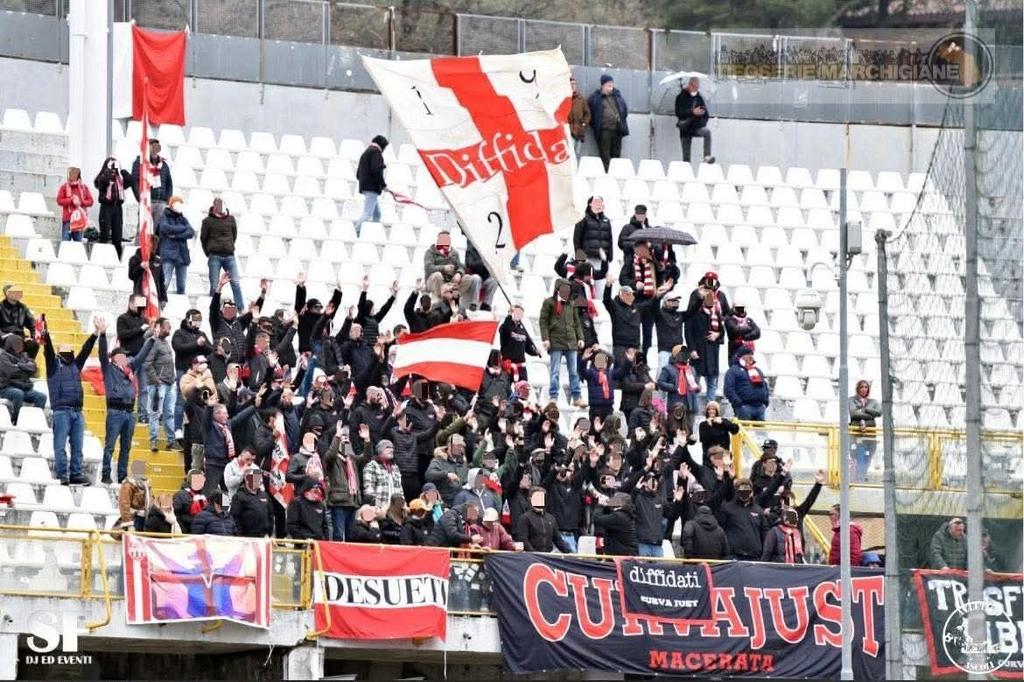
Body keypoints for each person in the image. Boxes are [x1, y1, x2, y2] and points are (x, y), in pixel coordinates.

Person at [98, 319, 154, 484]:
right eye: (121, 355)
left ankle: (122, 476)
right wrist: (102, 335)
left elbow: (142, 355)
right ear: (114, 358)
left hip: (129, 412)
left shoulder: (130, 369)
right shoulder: (108, 369)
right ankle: (106, 474)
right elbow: (102, 353)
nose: (124, 357)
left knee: (126, 447)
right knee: (110, 445)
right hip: (115, 411)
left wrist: (152, 339)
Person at [44, 320, 98, 485]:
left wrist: (95, 333)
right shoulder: (53, 365)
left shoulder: (76, 365)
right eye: (64, 347)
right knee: (60, 446)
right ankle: (62, 475)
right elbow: (47, 349)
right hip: (61, 411)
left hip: (77, 412)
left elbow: (86, 351)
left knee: (78, 446)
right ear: (58, 351)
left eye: (69, 348)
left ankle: (76, 474)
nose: (67, 349)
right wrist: (45, 332)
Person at [684, 272, 730, 407]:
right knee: (695, 379)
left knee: (712, 380)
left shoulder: (718, 305)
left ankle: (711, 407)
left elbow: (723, 326)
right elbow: (688, 330)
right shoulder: (694, 309)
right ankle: (692, 407)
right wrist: (692, 349)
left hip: (713, 347)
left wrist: (717, 334)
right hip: (698, 347)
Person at [538, 279, 585, 407]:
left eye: (568, 289)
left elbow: (577, 323)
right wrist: (545, 338)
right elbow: (543, 321)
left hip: (571, 342)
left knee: (574, 371)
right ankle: (553, 396)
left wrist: (580, 338)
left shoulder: (572, 304)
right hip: (556, 341)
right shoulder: (549, 302)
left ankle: (577, 397)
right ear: (558, 289)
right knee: (555, 371)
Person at [423, 231, 495, 313]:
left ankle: (452, 296)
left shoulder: (454, 253)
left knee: (468, 278)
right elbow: (428, 268)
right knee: (437, 275)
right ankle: (442, 298)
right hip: (434, 280)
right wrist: (443, 268)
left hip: (450, 281)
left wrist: (459, 274)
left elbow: (461, 266)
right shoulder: (430, 252)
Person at [323, 422, 370, 541]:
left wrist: (367, 440)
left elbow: (366, 458)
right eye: (343, 438)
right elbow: (331, 454)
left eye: (347, 438)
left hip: (352, 501)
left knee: (351, 535)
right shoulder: (332, 459)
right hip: (339, 502)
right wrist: (337, 436)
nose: (346, 440)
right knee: (338, 534)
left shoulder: (351, 458)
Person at [200, 197, 244, 308]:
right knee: (215, 286)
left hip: (229, 256)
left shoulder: (231, 219)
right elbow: (203, 238)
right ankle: (214, 309)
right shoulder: (207, 221)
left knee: (236, 283)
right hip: (214, 256)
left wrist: (229, 246)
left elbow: (234, 235)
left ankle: (240, 308)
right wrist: (208, 252)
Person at [144, 318, 178, 452]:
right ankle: (153, 441)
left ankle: (171, 441)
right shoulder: (152, 342)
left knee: (169, 413)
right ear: (159, 327)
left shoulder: (166, 343)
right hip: (158, 385)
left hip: (169, 383)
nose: (169, 328)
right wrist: (156, 380)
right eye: (167, 326)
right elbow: (147, 363)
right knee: (155, 413)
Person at [572, 197, 613, 299]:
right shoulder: (583, 219)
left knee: (600, 286)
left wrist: (609, 256)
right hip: (588, 258)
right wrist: (580, 258)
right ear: (590, 204)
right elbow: (577, 239)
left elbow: (610, 239)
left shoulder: (606, 220)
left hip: (602, 260)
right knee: (587, 285)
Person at [587, 75, 629, 171]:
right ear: (603, 85)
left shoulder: (617, 96)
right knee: (605, 153)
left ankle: (615, 172)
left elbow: (624, 109)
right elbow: (590, 114)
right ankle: (607, 172)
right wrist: (596, 125)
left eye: (612, 83)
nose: (611, 85)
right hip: (604, 130)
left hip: (617, 129)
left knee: (616, 153)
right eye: (608, 84)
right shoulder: (595, 97)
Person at [717, 478, 766, 560]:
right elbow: (720, 531)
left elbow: (764, 532)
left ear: (752, 492)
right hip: (733, 556)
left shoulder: (758, 510)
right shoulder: (727, 509)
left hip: (754, 557)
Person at [0, 335, 45, 422]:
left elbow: (33, 368)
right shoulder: (3, 357)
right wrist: (25, 369)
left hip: (24, 388)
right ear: (10, 344)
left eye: (20, 343)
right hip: (7, 388)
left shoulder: (24, 356)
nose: (19, 345)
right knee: (18, 394)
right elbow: (11, 371)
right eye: (16, 343)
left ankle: (34, 421)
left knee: (41, 397)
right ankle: (16, 420)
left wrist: (19, 365)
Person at [515, 487, 573, 553]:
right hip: (531, 556)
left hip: (547, 556)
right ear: (530, 499)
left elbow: (558, 540)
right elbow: (523, 540)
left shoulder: (551, 518)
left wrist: (570, 553)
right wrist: (535, 554)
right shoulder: (525, 518)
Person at [131, 137, 174, 226]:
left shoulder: (164, 164)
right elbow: (134, 181)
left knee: (159, 230)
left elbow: (169, 183)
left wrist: (168, 199)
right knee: (143, 228)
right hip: (146, 201)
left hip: (161, 202)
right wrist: (139, 197)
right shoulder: (140, 162)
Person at [93, 157, 131, 257]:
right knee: (104, 234)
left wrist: (122, 170)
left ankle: (117, 258)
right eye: (112, 166)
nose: (114, 169)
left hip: (117, 207)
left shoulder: (120, 179)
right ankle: (101, 256)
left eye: (115, 166)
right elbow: (100, 183)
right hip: (106, 207)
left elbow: (129, 181)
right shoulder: (103, 177)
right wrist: (108, 170)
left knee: (117, 235)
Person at [158, 196, 194, 295]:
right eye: (178, 204)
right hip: (169, 255)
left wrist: (175, 235)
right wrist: (182, 229)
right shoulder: (164, 217)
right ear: (172, 205)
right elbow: (165, 228)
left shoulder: (183, 219)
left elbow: (190, 232)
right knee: (164, 283)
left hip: (182, 255)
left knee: (182, 287)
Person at [723, 346, 769, 422]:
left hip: (760, 407)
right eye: (748, 354)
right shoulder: (733, 371)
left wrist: (765, 402)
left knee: (760, 430)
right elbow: (728, 389)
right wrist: (739, 404)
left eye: (752, 354)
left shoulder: (757, 370)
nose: (751, 357)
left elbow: (765, 386)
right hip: (744, 407)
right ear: (741, 357)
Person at [603, 282, 641, 372]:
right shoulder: (615, 306)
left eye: (631, 294)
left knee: (638, 372)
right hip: (620, 346)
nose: (630, 296)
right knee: (620, 372)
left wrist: (657, 295)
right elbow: (606, 300)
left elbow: (651, 304)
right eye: (627, 294)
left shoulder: (636, 307)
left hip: (635, 346)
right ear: (621, 295)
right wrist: (608, 286)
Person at [355, 135, 388, 237]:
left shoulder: (366, 152)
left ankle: (373, 234)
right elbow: (376, 170)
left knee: (377, 214)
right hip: (372, 188)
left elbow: (358, 174)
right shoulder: (376, 153)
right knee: (368, 213)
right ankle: (356, 231)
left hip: (365, 186)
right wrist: (383, 185)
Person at [675, 76, 714, 163]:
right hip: (685, 128)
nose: (696, 89)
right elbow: (679, 113)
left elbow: (706, 115)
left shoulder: (699, 98)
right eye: (694, 86)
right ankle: (686, 169)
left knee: (707, 132)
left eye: (697, 87)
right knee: (686, 157)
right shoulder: (680, 97)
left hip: (696, 127)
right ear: (689, 85)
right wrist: (692, 111)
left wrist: (701, 116)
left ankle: (707, 156)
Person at [849, 380, 882, 482]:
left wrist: (865, 410)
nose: (864, 389)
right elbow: (854, 414)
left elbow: (879, 412)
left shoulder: (873, 401)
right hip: (858, 434)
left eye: (866, 387)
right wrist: (871, 416)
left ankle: (861, 475)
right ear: (858, 388)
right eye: (861, 387)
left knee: (868, 457)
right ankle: (860, 478)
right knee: (860, 455)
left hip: (870, 435)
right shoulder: (852, 400)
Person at [657, 344, 700, 420]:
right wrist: (674, 387)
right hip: (675, 405)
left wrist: (698, 387)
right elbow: (660, 383)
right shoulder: (668, 369)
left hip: (691, 405)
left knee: (689, 426)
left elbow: (697, 383)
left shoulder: (691, 369)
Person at [498, 304, 540, 383]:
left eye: (521, 314)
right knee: (505, 388)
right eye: (517, 313)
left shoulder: (523, 330)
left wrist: (535, 352)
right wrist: (509, 315)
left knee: (523, 388)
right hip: (508, 365)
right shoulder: (505, 326)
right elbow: (505, 328)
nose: (519, 315)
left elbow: (528, 347)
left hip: (521, 366)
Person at [231, 466, 275, 537]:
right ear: (247, 480)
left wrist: (270, 533)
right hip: (247, 537)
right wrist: (240, 536)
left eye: (260, 478)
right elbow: (235, 519)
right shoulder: (238, 496)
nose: (260, 481)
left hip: (264, 537)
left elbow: (270, 515)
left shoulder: (264, 495)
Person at [593, 491, 639, 556]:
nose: (612, 500)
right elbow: (608, 514)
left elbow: (597, 519)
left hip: (622, 556)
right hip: (622, 553)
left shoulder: (619, 517)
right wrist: (606, 504)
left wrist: (600, 505)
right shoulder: (624, 515)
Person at [0, 284, 39, 359]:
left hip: (20, 336)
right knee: (14, 340)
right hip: (5, 337)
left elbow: (33, 325)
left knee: (33, 344)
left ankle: (27, 364)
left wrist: (33, 338)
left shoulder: (23, 308)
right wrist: (3, 335)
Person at [56, 166, 94, 242]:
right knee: (65, 242)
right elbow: (59, 200)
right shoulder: (64, 187)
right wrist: (71, 200)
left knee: (78, 243)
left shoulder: (84, 188)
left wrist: (81, 202)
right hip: (68, 220)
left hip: (80, 220)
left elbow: (91, 201)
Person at [362, 439, 403, 509]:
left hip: (395, 509)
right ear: (380, 450)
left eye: (392, 448)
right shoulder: (372, 465)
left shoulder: (395, 467)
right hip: (379, 508)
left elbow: (400, 490)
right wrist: (377, 507)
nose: (391, 450)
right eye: (388, 447)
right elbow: (369, 490)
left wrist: (402, 505)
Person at [127, 235, 167, 305]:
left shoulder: (157, 261)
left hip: (154, 296)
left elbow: (161, 281)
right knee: (141, 311)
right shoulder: (135, 259)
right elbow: (131, 276)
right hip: (140, 295)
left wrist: (163, 298)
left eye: (152, 245)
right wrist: (140, 267)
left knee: (154, 312)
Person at [117, 460, 151, 533]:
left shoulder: (146, 485)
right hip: (134, 519)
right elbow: (124, 504)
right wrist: (128, 524)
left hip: (144, 518)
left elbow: (150, 502)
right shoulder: (127, 485)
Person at [172, 470, 207, 534]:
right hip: (187, 532)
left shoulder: (205, 495)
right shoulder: (180, 495)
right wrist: (183, 531)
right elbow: (175, 515)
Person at [567, 76, 591, 156]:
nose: (573, 86)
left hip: (580, 131)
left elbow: (587, 113)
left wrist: (584, 124)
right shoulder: (564, 99)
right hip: (569, 131)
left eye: (574, 84)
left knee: (577, 155)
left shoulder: (581, 99)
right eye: (571, 84)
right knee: (570, 155)